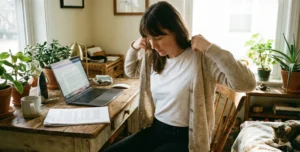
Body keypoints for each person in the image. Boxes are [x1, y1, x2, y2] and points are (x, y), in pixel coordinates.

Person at [104, 1, 256, 152]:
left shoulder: (201, 59)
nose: (153, 45)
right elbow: (131, 71)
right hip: (155, 130)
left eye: (158, 38)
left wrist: (211, 48)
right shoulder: (154, 58)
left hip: (187, 139)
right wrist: (134, 47)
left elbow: (248, 84)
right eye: (149, 38)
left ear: (175, 30)